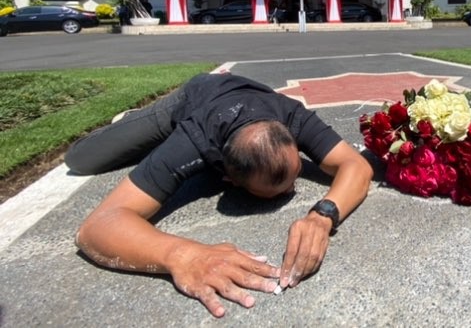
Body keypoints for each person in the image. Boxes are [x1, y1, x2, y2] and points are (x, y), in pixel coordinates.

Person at [65, 72, 373, 318]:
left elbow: (355, 165)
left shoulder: (291, 115)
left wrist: (323, 216)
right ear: (229, 179)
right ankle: (139, 119)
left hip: (249, 92)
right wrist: (183, 256)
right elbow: (96, 228)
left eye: (294, 176)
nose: (293, 190)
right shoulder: (191, 141)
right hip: (194, 99)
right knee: (81, 160)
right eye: (277, 191)